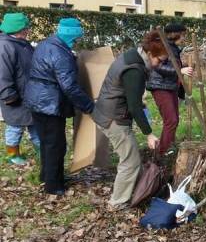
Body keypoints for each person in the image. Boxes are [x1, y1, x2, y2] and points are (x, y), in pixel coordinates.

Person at [92, 30, 167, 210]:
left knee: (132, 157)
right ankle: (117, 202)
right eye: (159, 60)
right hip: (113, 118)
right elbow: (133, 106)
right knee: (130, 162)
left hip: (108, 112)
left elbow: (131, 97)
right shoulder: (135, 69)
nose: (159, 65)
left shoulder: (133, 56)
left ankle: (141, 190)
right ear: (150, 53)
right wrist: (149, 133)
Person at [24, 18, 94, 195]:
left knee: (47, 142)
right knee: (56, 145)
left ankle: (47, 176)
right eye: (77, 38)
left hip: (37, 99)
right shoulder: (61, 53)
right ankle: (53, 186)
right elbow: (69, 86)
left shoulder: (46, 43)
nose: (77, 41)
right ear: (71, 35)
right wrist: (89, 106)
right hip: (49, 103)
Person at [146, 23, 193, 156]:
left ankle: (169, 147)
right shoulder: (162, 45)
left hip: (170, 86)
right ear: (175, 34)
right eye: (183, 35)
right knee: (171, 120)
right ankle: (161, 153)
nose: (184, 38)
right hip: (160, 86)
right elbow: (157, 66)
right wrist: (180, 70)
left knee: (174, 120)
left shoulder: (173, 47)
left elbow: (171, 65)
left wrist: (183, 68)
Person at [0, 13, 40, 165]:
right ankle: (12, 155)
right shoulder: (5, 46)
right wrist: (8, 95)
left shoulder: (23, 44)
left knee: (35, 124)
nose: (28, 31)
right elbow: (2, 74)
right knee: (15, 127)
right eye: (26, 28)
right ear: (18, 29)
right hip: (14, 97)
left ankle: (41, 150)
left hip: (28, 95)